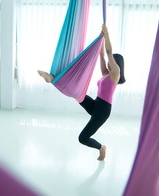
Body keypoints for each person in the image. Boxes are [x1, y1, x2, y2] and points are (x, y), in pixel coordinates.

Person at [38, 25, 125, 161]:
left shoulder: (116, 75)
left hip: (103, 111)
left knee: (83, 138)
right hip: (96, 104)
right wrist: (100, 39)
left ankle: (101, 148)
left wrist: (107, 33)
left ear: (117, 65)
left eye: (112, 63)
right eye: (109, 63)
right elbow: (102, 56)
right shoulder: (105, 74)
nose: (109, 64)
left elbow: (108, 52)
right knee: (77, 94)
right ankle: (53, 79)